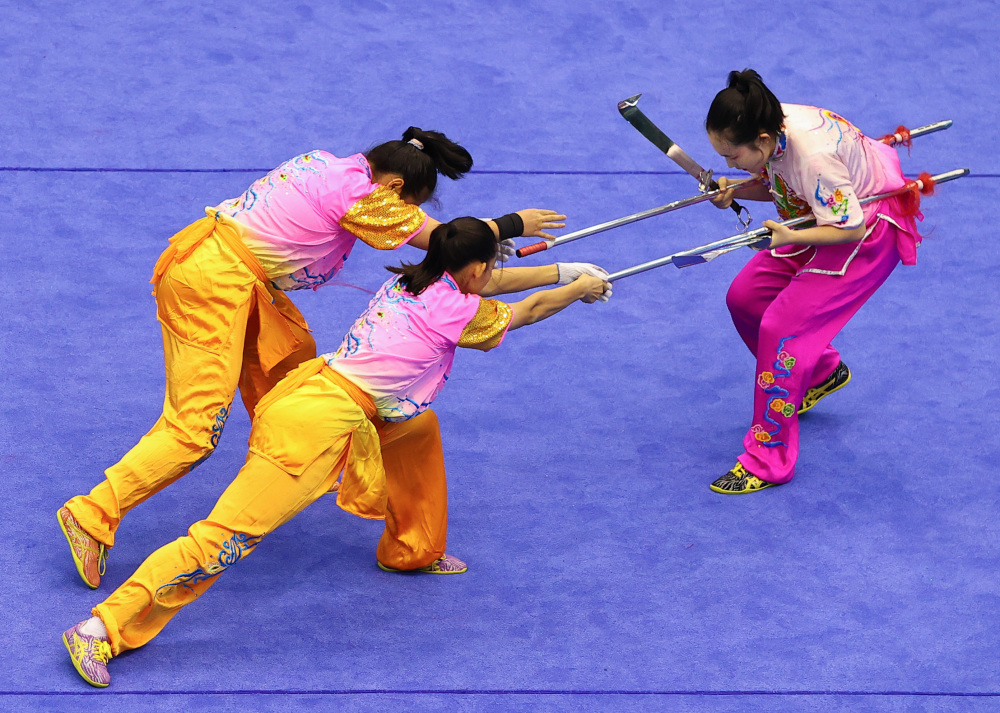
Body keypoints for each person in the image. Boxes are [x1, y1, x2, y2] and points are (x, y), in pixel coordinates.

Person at [62, 217, 611, 687]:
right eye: (490, 269)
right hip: (316, 428)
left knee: (417, 430)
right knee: (222, 540)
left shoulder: (417, 281)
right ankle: (100, 630)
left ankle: (413, 548)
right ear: (471, 272)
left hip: (339, 395)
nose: (492, 277)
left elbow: (497, 284)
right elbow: (531, 309)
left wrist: (567, 272)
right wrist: (577, 289)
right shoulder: (458, 310)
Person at [58, 126, 569, 589]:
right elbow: (448, 247)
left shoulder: (327, 162)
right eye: (410, 207)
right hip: (214, 287)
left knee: (304, 377)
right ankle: (92, 513)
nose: (409, 218)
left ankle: (369, 504)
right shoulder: (363, 195)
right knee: (193, 431)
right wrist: (512, 225)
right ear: (393, 190)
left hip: (238, 281)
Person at [704, 69, 926, 494]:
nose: (727, 163)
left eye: (732, 158)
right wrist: (736, 187)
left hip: (866, 231)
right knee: (746, 298)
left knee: (781, 329)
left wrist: (791, 236)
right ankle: (821, 372)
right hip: (815, 213)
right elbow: (779, 182)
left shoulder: (812, 157)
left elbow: (850, 227)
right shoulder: (767, 123)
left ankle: (768, 459)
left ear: (763, 141)